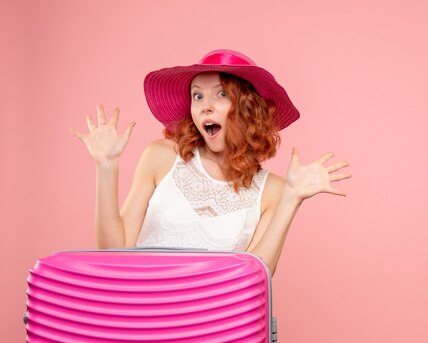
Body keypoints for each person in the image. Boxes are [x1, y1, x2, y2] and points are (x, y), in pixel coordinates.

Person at [71, 49, 350, 275]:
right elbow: (114, 251)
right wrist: (106, 166)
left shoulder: (273, 191)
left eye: (221, 94)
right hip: (143, 320)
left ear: (247, 108)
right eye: (197, 95)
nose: (205, 105)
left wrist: (292, 198)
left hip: (212, 333)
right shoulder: (161, 157)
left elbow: (254, 278)